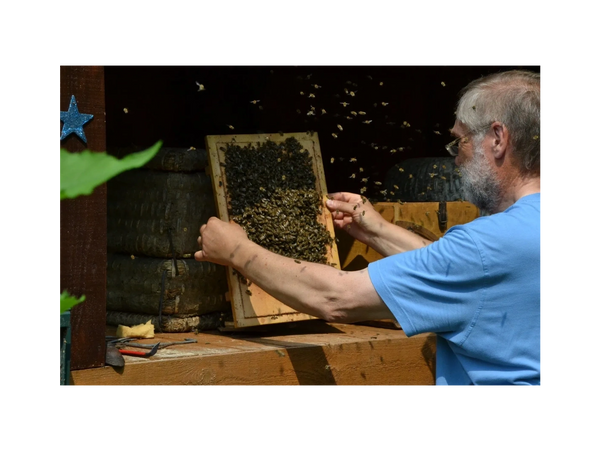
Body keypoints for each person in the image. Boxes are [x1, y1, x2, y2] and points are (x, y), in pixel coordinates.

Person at [195, 69, 544, 389]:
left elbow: (336, 297)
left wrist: (237, 250)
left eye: (461, 141)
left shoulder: (485, 246)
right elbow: (458, 274)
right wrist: (377, 231)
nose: (456, 158)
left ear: (498, 137)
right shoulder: (505, 244)